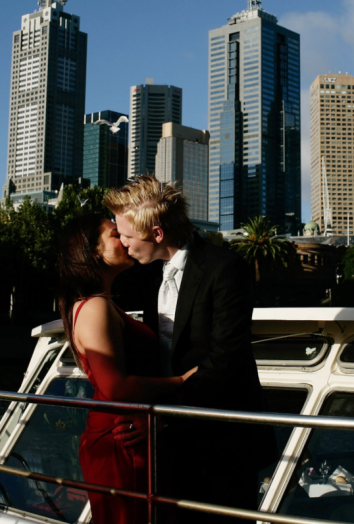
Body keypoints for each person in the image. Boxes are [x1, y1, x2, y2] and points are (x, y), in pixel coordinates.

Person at [104, 176, 275, 523]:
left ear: (157, 234)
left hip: (223, 441)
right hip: (169, 441)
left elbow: (225, 359)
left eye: (126, 235)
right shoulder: (148, 272)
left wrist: (161, 419)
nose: (121, 243)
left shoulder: (225, 269)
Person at [56, 214, 197, 524]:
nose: (124, 238)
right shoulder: (94, 306)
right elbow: (115, 387)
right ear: (93, 253)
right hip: (121, 440)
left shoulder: (98, 303)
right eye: (113, 234)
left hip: (126, 433)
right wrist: (181, 381)